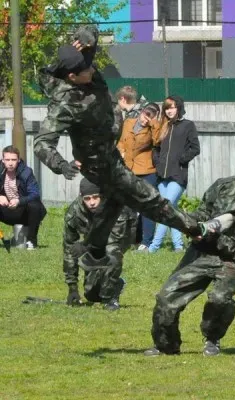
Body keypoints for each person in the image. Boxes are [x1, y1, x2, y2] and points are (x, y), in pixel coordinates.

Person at [33, 25, 200, 268]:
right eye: (86, 69)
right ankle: (198, 229)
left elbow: (88, 37)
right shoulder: (64, 104)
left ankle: (90, 248)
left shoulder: (82, 73)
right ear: (71, 76)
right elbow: (41, 143)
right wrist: (59, 164)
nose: (92, 70)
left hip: (112, 154)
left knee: (112, 207)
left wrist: (87, 38)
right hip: (101, 165)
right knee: (149, 199)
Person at [144, 159, 235, 357]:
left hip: (233, 263)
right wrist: (193, 226)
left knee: (220, 299)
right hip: (201, 252)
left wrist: (220, 240)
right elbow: (202, 212)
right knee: (166, 298)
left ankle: (212, 338)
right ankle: (166, 346)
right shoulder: (224, 186)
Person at [64, 178, 135, 311]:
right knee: (91, 295)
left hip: (120, 238)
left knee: (112, 253)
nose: (92, 202)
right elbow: (69, 249)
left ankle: (111, 299)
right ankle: (115, 283)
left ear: (102, 195)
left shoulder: (117, 208)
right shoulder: (74, 213)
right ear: (81, 197)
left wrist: (86, 245)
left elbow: (115, 241)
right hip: (92, 244)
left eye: (95, 197)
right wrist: (72, 287)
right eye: (87, 198)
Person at [148, 95, 200, 253]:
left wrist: (181, 159)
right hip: (162, 176)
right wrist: (157, 163)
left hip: (178, 175)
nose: (169, 111)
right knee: (172, 210)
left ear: (179, 108)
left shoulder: (188, 125)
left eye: (172, 107)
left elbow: (195, 148)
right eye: (167, 108)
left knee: (165, 210)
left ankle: (153, 247)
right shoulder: (163, 126)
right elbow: (155, 148)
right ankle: (178, 246)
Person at [117, 103, 161, 252]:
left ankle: (146, 242)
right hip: (128, 169)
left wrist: (154, 124)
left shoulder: (154, 128)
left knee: (147, 207)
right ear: (141, 112)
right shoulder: (128, 122)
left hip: (147, 171)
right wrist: (121, 151)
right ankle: (130, 239)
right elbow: (121, 141)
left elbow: (158, 142)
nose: (145, 120)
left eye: (149, 118)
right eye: (145, 115)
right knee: (128, 206)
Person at [0, 145, 47, 250]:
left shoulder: (26, 172)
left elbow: (35, 193)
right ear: (3, 160)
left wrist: (19, 201)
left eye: (13, 159)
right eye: (7, 159)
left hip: (23, 211)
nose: (10, 163)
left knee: (35, 204)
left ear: (18, 160)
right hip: (5, 210)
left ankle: (31, 241)